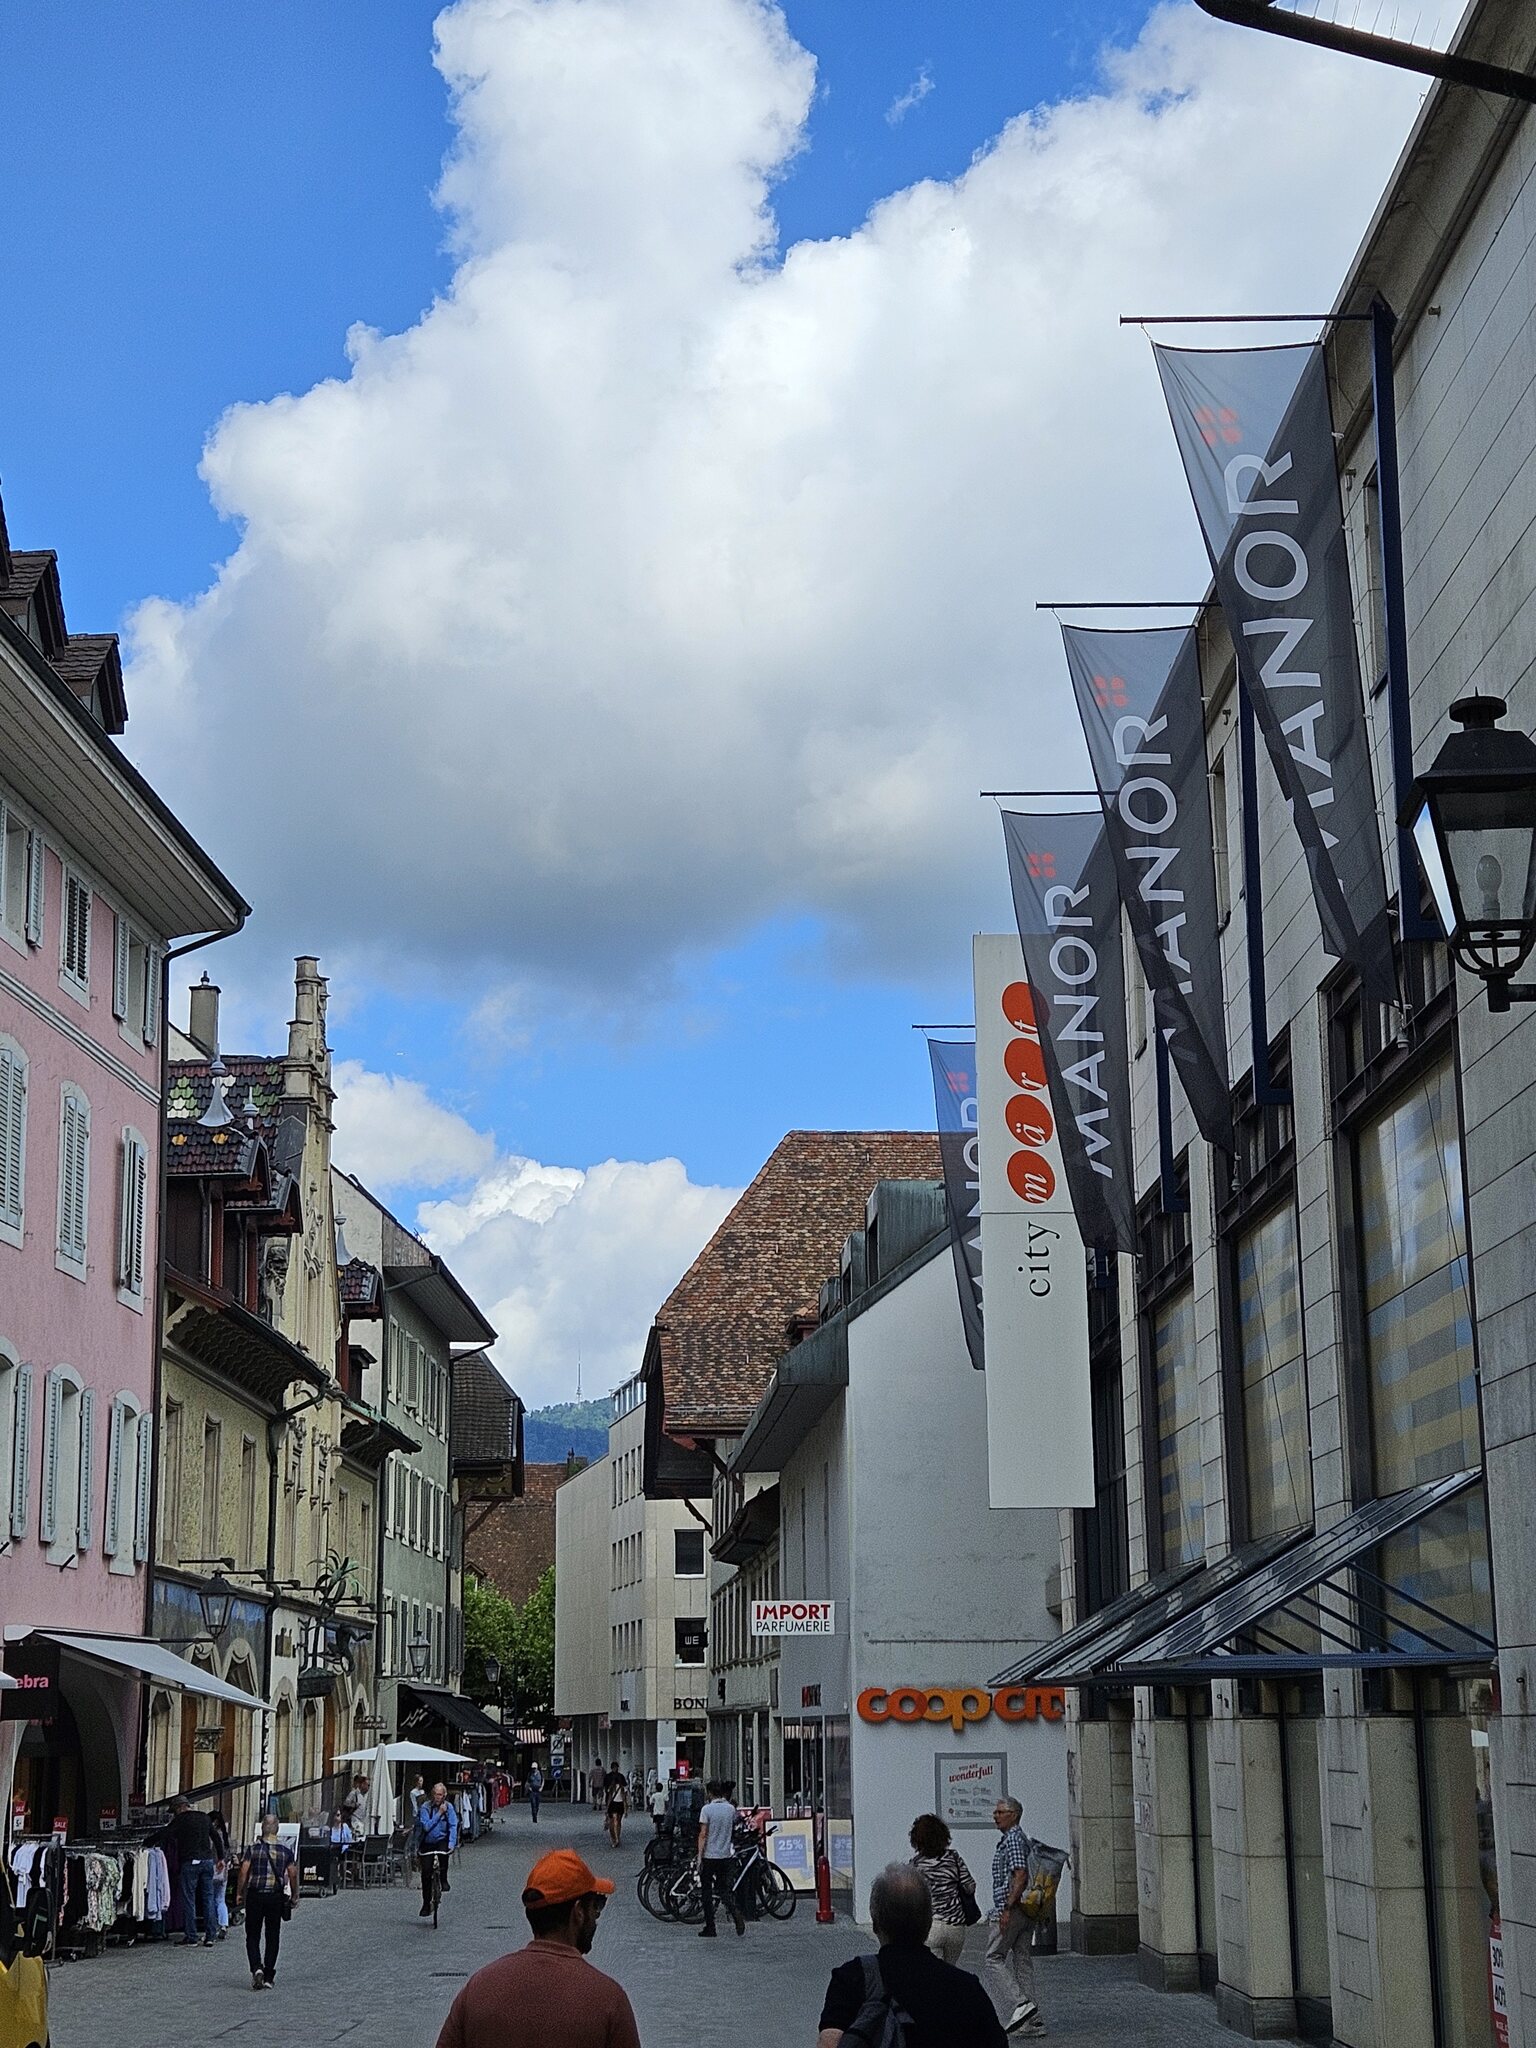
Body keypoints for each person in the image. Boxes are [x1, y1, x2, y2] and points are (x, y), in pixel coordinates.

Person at [434, 1847, 636, 2048]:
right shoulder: (608, 1999)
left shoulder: (479, 1988)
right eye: (596, 1907)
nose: (596, 1917)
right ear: (578, 1912)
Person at [817, 1863, 1007, 2048]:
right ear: (928, 1922)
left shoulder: (851, 1979)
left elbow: (829, 2042)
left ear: (876, 1924)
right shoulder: (967, 1989)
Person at [986, 1796, 1045, 2037]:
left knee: (993, 1958)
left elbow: (1020, 1875)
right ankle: (1033, 2022)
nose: (995, 1816)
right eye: (996, 1812)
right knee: (1022, 1960)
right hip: (1026, 1910)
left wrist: (1007, 1908)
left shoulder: (1012, 1839)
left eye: (1000, 1812)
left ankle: (1021, 2004)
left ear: (1014, 1815)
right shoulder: (1021, 1838)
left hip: (1014, 1908)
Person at [236, 1815, 298, 1992]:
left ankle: (256, 1967)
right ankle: (269, 1975)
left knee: (252, 1934)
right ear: (277, 1829)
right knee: (272, 1935)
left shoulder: (253, 1849)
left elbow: (243, 1871)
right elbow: (292, 1874)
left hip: (255, 1895)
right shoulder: (286, 1851)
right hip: (275, 1897)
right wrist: (295, 1895)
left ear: (262, 1828)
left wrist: (239, 1892)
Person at [909, 1812, 978, 1965]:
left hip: (930, 1926)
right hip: (956, 1927)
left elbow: (911, 1898)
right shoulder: (954, 1858)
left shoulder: (916, 1865)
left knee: (934, 1973)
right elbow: (970, 1886)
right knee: (949, 1971)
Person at [167, 1795, 219, 1948]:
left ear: (179, 1808)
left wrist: (147, 1842)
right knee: (208, 1898)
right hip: (207, 1861)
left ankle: (192, 1937)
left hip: (190, 1862)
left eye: (174, 1811)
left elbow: (166, 1834)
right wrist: (221, 1857)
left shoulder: (180, 1819)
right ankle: (210, 1936)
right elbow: (216, 1837)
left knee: (189, 1900)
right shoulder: (204, 1817)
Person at [696, 1779, 744, 1939]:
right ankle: (735, 1912)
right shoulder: (730, 1809)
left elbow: (703, 1834)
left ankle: (711, 1927)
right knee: (723, 1890)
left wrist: (699, 1856)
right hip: (725, 1855)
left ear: (709, 1793)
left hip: (710, 1856)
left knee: (707, 1892)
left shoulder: (707, 1809)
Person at [414, 1781, 460, 1915]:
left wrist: (451, 1843)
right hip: (427, 1841)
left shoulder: (449, 1807)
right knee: (426, 1873)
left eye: (440, 1795)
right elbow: (426, 1826)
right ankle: (426, 1903)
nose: (437, 1797)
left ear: (444, 1795)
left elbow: (453, 1825)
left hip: (441, 1840)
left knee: (443, 1854)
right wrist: (439, 1813)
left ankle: (443, 1879)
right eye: (435, 1794)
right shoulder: (426, 1808)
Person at [602, 1762, 627, 1849]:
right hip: (618, 1803)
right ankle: (616, 1837)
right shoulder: (621, 1777)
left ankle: (615, 1838)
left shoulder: (608, 1777)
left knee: (614, 1821)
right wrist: (626, 1807)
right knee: (617, 1821)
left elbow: (606, 1790)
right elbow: (625, 1793)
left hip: (613, 1802)